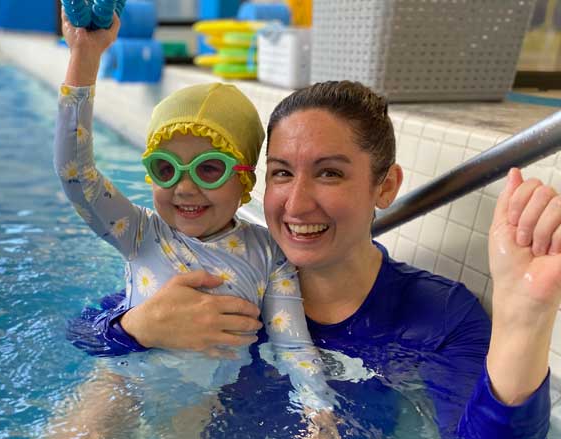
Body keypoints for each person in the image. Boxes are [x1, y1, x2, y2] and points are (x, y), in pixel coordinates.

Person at [68, 81, 559, 438]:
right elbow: (84, 331)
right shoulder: (234, 274)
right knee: (106, 383)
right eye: (282, 173)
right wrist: (133, 328)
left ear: (385, 186)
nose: (297, 204)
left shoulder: (436, 317)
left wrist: (524, 323)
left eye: (328, 174)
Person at [50, 12, 337, 438]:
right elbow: (76, 175)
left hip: (200, 393)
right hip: (122, 379)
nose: (184, 187)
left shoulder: (268, 254)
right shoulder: (139, 231)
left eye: (209, 170)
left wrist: (319, 414)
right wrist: (84, 57)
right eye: (165, 169)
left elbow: (292, 345)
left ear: (243, 181)